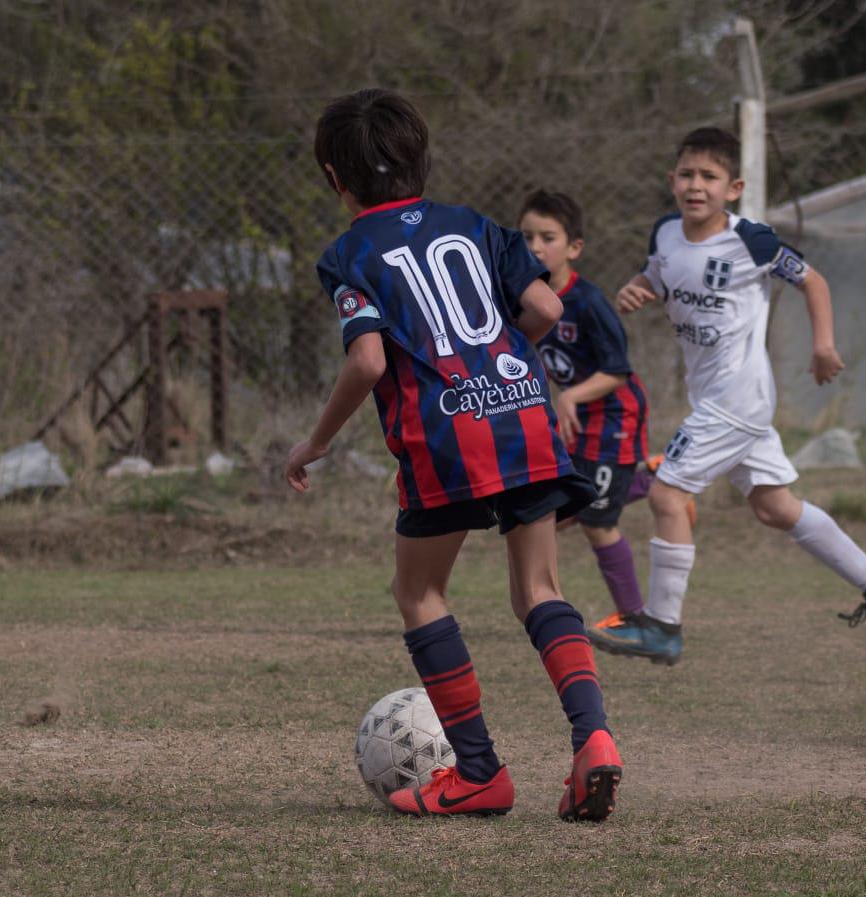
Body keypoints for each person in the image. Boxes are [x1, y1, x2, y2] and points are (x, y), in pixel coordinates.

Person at [285, 88, 622, 821]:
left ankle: (480, 772)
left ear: (333, 178)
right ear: (421, 158)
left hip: (447, 434)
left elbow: (369, 362)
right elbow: (548, 311)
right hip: (522, 411)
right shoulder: (474, 226)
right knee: (538, 590)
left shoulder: (350, 254)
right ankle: (593, 737)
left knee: (420, 593)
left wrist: (316, 442)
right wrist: (494, 359)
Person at [594, 126, 866, 666]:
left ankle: (662, 626)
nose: (697, 186)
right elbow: (659, 275)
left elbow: (813, 281)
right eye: (688, 175)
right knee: (774, 507)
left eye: (710, 177)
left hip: (737, 399)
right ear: (672, 180)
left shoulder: (752, 240)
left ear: (733, 187)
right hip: (714, 399)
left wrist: (823, 345)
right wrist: (638, 288)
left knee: (668, 496)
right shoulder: (665, 234)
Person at [517, 189, 655, 636]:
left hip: (615, 414)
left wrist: (570, 398)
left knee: (596, 521)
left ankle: (636, 619)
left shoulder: (590, 303)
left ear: (574, 248)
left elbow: (617, 371)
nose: (536, 247)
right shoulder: (523, 299)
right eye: (527, 236)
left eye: (548, 237)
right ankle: (650, 480)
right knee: (557, 514)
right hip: (578, 417)